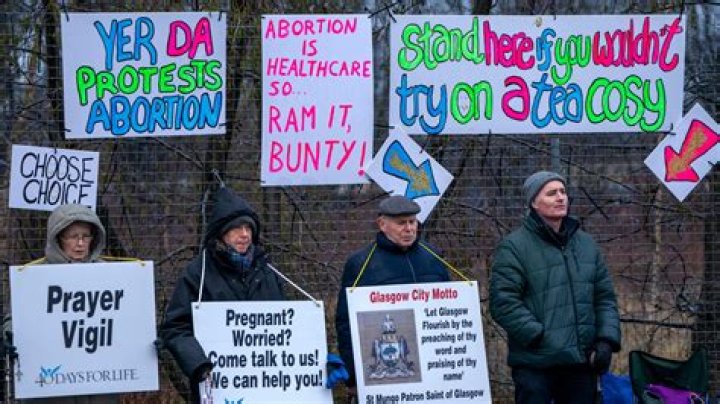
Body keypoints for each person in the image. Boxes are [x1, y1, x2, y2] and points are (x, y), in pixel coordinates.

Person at [489, 171, 621, 404]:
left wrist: (605, 340)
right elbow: (503, 303)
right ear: (533, 202)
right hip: (535, 365)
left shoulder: (586, 244)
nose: (560, 197)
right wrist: (538, 336)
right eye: (551, 193)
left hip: (580, 363)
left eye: (563, 192)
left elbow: (604, 298)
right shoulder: (514, 247)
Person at [160, 186, 285, 403]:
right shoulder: (198, 273)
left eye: (248, 227)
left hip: (268, 387)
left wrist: (316, 362)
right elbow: (175, 327)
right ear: (221, 233)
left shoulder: (268, 272)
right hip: (217, 389)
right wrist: (198, 364)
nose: (244, 234)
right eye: (237, 228)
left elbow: (288, 326)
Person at [334, 195, 450, 401]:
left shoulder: (433, 256)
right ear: (382, 224)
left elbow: (451, 310)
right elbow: (346, 323)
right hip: (385, 373)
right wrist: (353, 376)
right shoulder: (361, 264)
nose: (409, 229)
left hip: (435, 370)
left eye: (412, 222)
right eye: (401, 223)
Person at [4, 203, 118, 403]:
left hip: (98, 384)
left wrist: (144, 342)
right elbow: (13, 318)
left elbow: (124, 317)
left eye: (86, 236)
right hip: (50, 387)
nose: (80, 243)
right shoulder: (33, 275)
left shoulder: (111, 274)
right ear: (58, 238)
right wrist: (11, 335)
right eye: (73, 237)